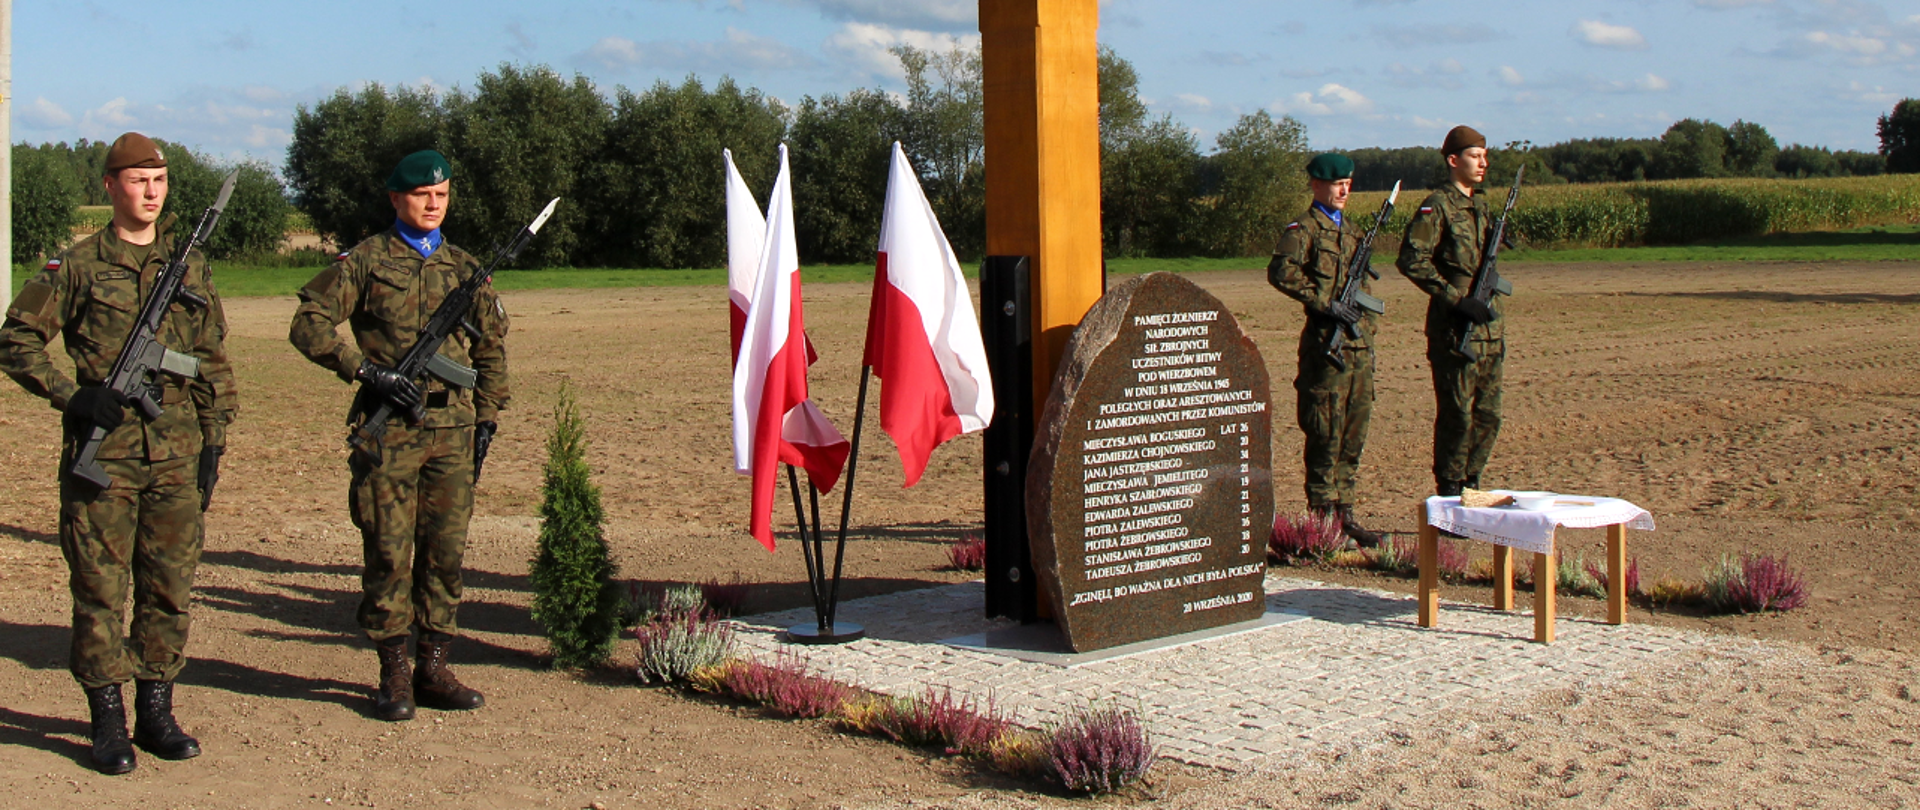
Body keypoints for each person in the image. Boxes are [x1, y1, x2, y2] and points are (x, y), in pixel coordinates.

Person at [0, 132, 237, 774]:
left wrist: (214, 437)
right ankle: (107, 720)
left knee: (170, 586)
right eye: (137, 181)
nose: (151, 192)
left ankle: (156, 711)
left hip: (176, 455)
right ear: (110, 187)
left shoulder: (188, 267)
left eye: (158, 181)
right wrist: (73, 397)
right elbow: (16, 341)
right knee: (101, 589)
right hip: (104, 462)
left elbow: (211, 355)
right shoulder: (76, 266)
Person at [288, 150, 508, 721]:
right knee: (388, 551)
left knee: (446, 555)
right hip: (391, 430)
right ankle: (392, 674)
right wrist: (365, 370)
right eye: (420, 195)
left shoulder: (465, 267)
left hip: (453, 431)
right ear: (396, 199)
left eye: (441, 194)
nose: (433, 204)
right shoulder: (364, 261)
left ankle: (432, 667)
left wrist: (486, 418)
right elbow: (307, 323)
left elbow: (490, 348)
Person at [1267, 153, 1382, 547]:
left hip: (1356, 347)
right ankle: (1322, 520)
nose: (1344, 190)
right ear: (1316, 185)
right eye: (1337, 184)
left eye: (1348, 182)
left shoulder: (1352, 231)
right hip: (1324, 347)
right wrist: (1324, 303)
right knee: (1325, 432)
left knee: (1353, 431)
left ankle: (1345, 514)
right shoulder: (1305, 229)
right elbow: (1281, 271)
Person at [1396, 125, 1505, 498]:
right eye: (1475, 156)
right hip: (1454, 329)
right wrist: (1454, 298)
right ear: (1453, 160)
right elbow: (1412, 259)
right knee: (1457, 415)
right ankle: (1450, 489)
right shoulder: (1437, 205)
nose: (1483, 163)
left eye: (1485, 156)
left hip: (1489, 328)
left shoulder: (1482, 205)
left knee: (1488, 415)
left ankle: (1473, 481)